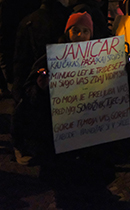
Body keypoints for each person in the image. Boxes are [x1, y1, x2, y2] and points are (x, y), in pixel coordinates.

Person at [11, 12, 95, 165]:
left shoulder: (98, 58)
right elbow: (29, 95)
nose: (80, 35)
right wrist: (40, 87)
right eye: (75, 30)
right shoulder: (51, 58)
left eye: (85, 31)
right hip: (55, 135)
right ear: (67, 32)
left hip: (84, 135)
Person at [13, 0, 71, 102]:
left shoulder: (28, 21)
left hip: (36, 88)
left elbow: (20, 62)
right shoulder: (66, 22)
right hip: (61, 91)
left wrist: (19, 95)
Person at [0, 0, 43, 98]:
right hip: (19, 62)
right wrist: (8, 70)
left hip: (37, 58)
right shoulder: (7, 3)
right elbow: (4, 37)